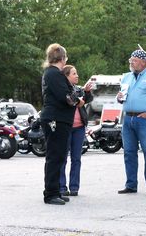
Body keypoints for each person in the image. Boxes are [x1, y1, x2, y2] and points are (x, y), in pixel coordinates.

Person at [116, 49, 146, 196]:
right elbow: (122, 98)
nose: (132, 62)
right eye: (131, 59)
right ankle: (131, 185)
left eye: (135, 60)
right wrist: (119, 98)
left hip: (144, 120)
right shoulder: (125, 77)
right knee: (129, 153)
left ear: (144, 62)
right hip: (127, 119)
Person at [41, 43, 84, 205]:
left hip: (59, 119)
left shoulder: (53, 74)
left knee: (58, 156)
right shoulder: (54, 74)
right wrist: (78, 100)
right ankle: (50, 193)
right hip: (55, 119)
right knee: (54, 156)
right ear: (63, 58)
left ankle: (56, 190)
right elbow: (65, 97)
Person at [60, 65, 93, 197]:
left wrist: (87, 91)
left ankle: (74, 187)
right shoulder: (63, 90)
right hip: (66, 128)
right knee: (62, 158)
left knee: (76, 158)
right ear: (67, 76)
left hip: (79, 128)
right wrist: (82, 96)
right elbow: (74, 101)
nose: (77, 76)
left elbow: (88, 100)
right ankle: (62, 187)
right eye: (74, 73)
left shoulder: (79, 90)